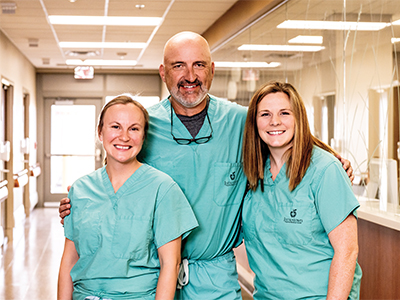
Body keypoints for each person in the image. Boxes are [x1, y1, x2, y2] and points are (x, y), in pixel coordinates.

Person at [59, 32, 354, 299]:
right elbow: (117, 170)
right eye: (178, 66)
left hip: (214, 276)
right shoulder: (142, 125)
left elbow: (282, 133)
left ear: (212, 70)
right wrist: (83, 202)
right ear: (163, 73)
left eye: (199, 64)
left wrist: (331, 158)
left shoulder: (242, 121)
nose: (190, 75)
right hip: (151, 273)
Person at [57, 95, 198, 300]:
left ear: (143, 135)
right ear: (100, 132)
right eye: (115, 127)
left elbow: (170, 264)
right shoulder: (80, 189)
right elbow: (68, 262)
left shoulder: (163, 189)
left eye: (134, 128)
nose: (124, 137)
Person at [242, 81, 362, 299]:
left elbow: (347, 251)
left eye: (284, 113)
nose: (275, 121)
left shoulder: (325, 170)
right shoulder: (251, 173)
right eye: (265, 114)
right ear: (254, 122)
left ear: (299, 118)